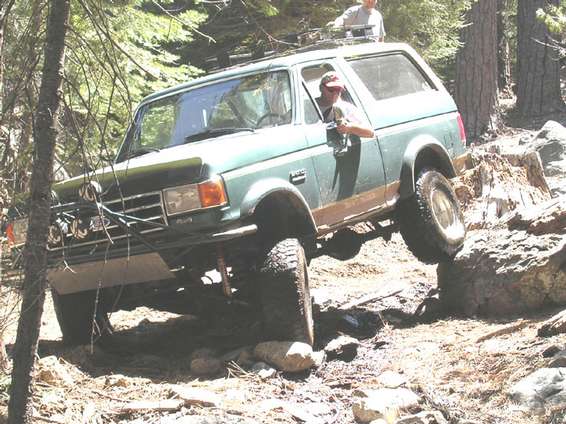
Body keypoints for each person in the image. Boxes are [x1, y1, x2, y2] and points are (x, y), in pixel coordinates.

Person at [315, 71, 374, 139]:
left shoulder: (346, 108)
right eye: (331, 89)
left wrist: (350, 127)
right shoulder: (307, 107)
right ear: (321, 88)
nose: (335, 93)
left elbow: (370, 133)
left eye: (338, 89)